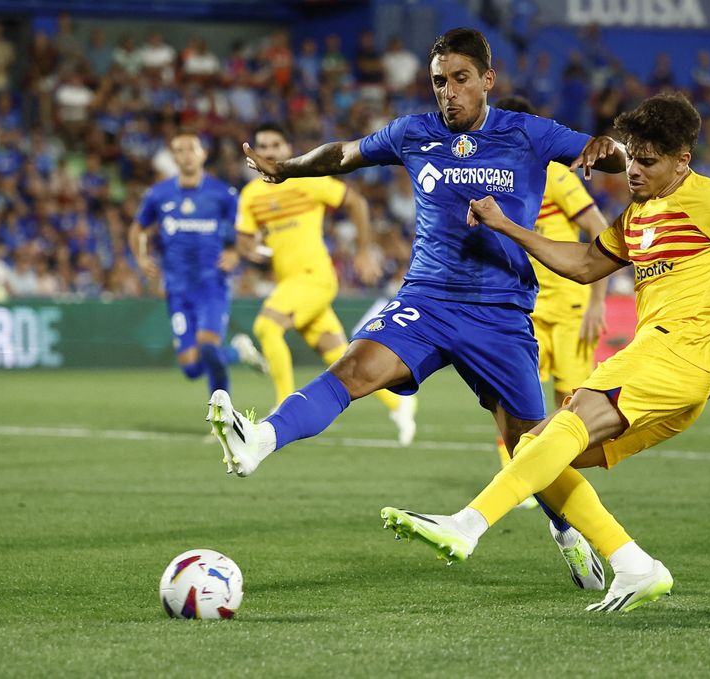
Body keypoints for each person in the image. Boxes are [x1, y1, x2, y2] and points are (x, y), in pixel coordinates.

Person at [379, 92, 710, 613]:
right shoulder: (637, 215)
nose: (633, 170)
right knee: (536, 448)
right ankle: (632, 564)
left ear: (682, 160)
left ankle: (467, 525)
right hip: (669, 372)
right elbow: (585, 264)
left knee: (562, 426)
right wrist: (509, 228)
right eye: (631, 158)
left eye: (647, 162)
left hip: (676, 353)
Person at [205, 28, 626, 591]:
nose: (448, 91)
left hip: (499, 313)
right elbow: (345, 154)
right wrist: (290, 168)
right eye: (438, 81)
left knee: (530, 446)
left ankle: (568, 534)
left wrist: (607, 147)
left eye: (460, 79)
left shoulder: (528, 132)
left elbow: (613, 156)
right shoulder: (414, 132)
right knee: (353, 370)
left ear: (487, 80)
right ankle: (258, 441)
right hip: (427, 299)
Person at [236, 123, 417, 446]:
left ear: (287, 148)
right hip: (290, 282)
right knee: (335, 351)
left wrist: (363, 250)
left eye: (276, 145)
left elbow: (356, 202)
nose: (269, 151)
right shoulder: (251, 195)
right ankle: (398, 404)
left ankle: (281, 407)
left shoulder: (306, 181)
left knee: (267, 326)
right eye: (263, 146)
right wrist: (252, 250)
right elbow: (244, 240)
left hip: (314, 276)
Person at [493, 96, 609, 511]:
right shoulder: (488, 180)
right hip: (522, 308)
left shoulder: (555, 175)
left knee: (571, 404)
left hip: (570, 308)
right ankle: (516, 479)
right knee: (509, 396)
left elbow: (599, 230)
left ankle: (555, 483)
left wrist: (597, 302)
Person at [128, 132, 266, 403]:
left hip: (212, 286)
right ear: (173, 158)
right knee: (191, 368)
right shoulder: (159, 194)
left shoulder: (222, 194)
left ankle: (223, 415)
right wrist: (141, 258)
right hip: (177, 291)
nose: (186, 155)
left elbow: (250, 228)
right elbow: (138, 228)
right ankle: (237, 352)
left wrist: (235, 253)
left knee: (208, 347)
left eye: (192, 149)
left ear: (203, 154)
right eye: (179, 150)